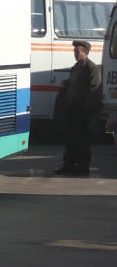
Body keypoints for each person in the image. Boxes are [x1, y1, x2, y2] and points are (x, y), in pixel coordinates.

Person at [53, 39, 101, 176]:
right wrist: (66, 83)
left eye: (77, 52)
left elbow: (94, 89)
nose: (75, 54)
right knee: (71, 140)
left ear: (86, 52)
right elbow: (74, 83)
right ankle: (69, 165)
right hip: (73, 110)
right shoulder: (77, 67)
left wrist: (84, 108)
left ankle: (83, 167)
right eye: (74, 52)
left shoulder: (92, 68)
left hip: (84, 112)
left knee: (83, 141)